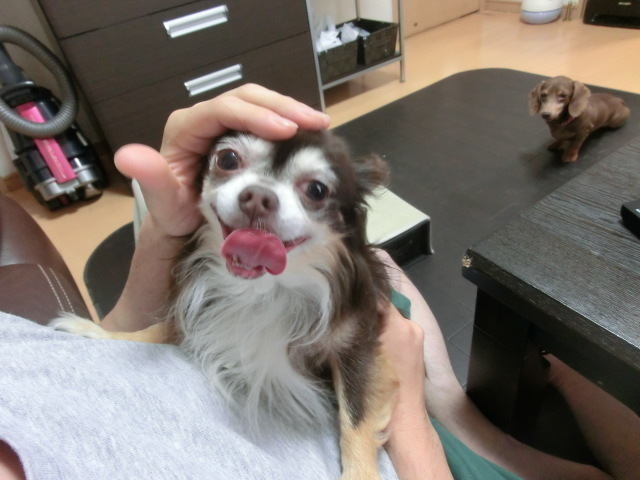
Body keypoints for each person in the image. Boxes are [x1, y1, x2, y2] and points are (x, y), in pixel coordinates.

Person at [1, 85, 639, 480]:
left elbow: (99, 364)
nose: (257, 195)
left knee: (381, 282)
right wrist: (409, 411)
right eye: (232, 163)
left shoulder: (20, 364)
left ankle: (453, 404)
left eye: (310, 189)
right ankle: (451, 408)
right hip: (397, 444)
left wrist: (137, 297)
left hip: (329, 324)